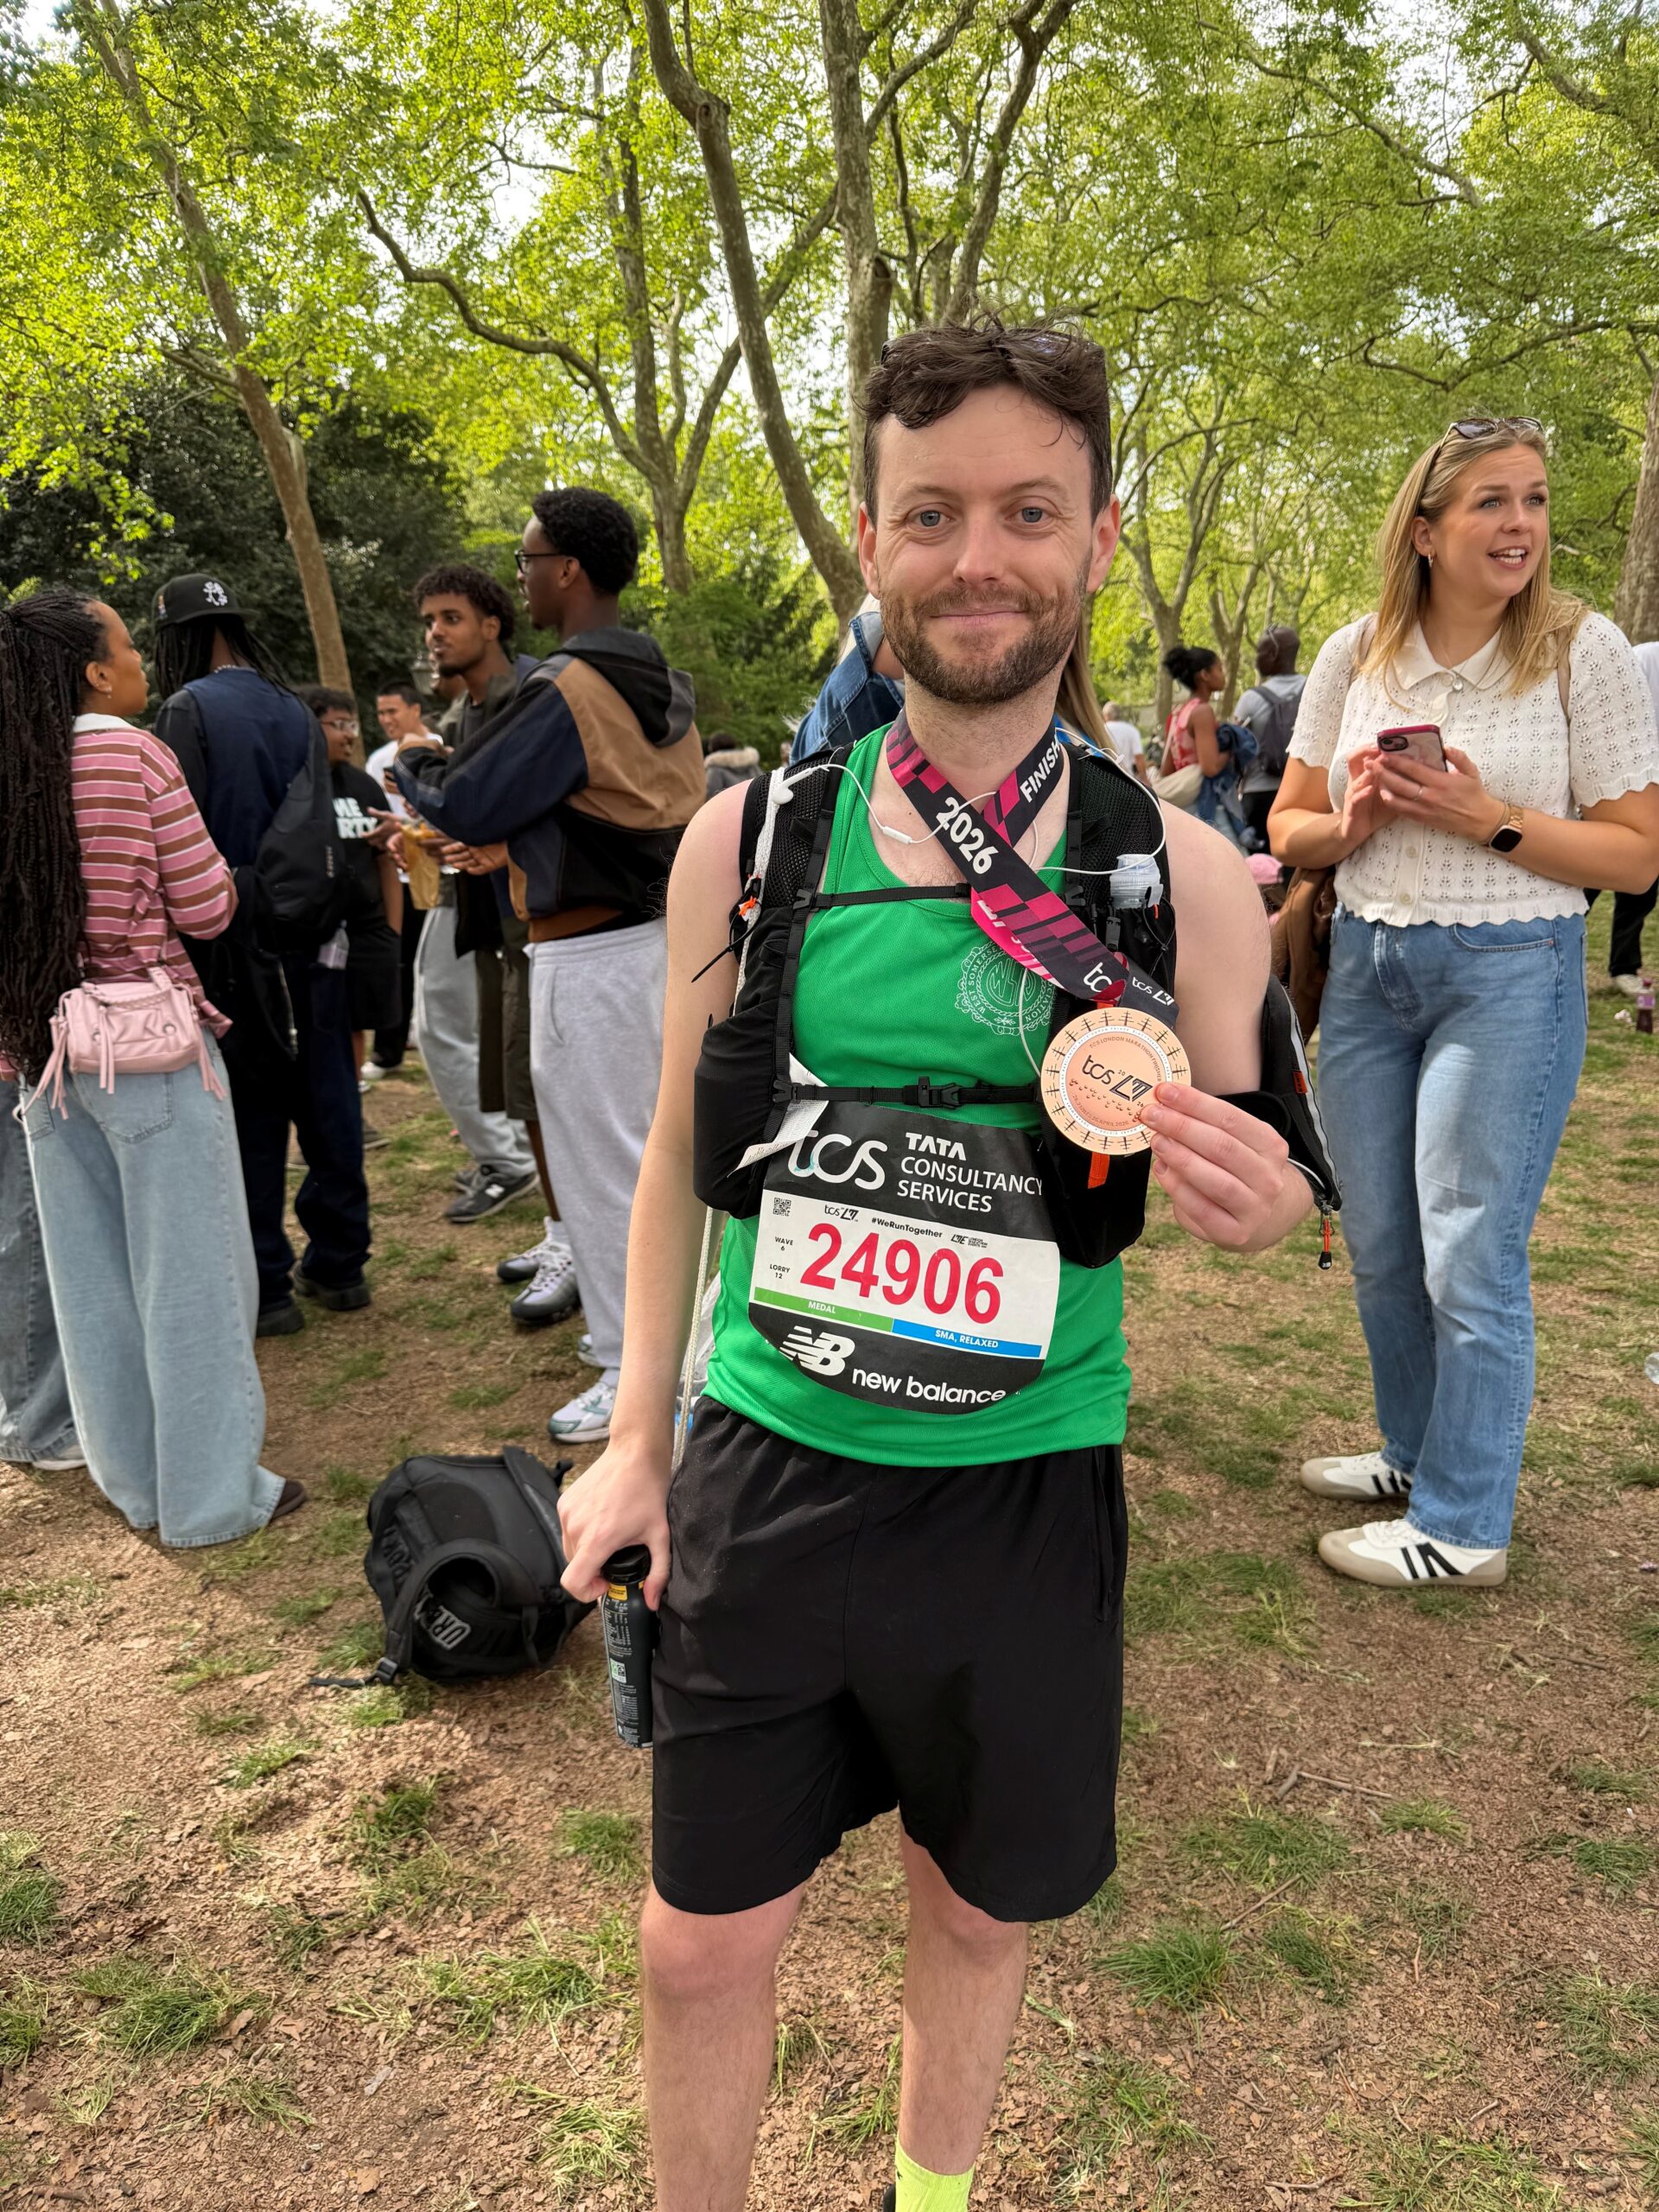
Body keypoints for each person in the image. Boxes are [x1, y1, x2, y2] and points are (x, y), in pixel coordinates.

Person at [554, 320, 1319, 2212]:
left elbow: (1277, 1160)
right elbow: (673, 1154)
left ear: (1101, 538)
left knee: (976, 1916)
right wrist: (634, 1432)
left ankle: (933, 2196)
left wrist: (1261, 1199)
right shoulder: (749, 843)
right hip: (765, 1465)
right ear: (874, 544)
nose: (982, 555)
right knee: (698, 1942)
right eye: (935, 513)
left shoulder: (1187, 875)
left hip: (1025, 1488)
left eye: (1030, 510)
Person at [1271, 415, 1659, 1589]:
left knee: (1469, 1252)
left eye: (1535, 501)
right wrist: (1359, 823)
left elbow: (1635, 858)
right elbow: (1288, 826)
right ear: (1427, 527)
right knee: (1384, 1244)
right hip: (1373, 971)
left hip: (1510, 974)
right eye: (1494, 501)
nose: (1523, 525)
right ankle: (1412, 1454)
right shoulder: (1356, 652)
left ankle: (1466, 1522)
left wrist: (1483, 817)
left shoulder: (1579, 651)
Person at [395, 489, 705, 1441]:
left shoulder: (565, 687)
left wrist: (412, 761)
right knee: (666, 1164)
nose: (520, 575)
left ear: (568, 569)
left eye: (528, 559)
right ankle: (683, 1357)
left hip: (589, 952)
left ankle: (632, 1371)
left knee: (607, 1171)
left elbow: (470, 802)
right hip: (663, 944)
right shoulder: (664, 681)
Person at [2, 591, 302, 1544]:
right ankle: (212, 1500)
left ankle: (134, 1485)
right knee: (193, 1278)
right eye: (127, 644)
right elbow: (209, 905)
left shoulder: (12, 768)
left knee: (90, 1286)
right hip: (151, 1047)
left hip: (46, 1058)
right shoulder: (132, 753)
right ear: (94, 669)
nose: (140, 660)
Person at [151, 575, 372, 1338]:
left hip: (230, 939)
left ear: (177, 636)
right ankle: (342, 1262)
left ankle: (267, 1282)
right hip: (314, 932)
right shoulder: (290, 706)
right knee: (328, 1092)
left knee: (248, 1112)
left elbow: (179, 836)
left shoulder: (186, 710)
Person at [401, 567, 541, 1229]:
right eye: (430, 621)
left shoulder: (533, 694)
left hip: (555, 929)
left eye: (450, 618)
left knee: (545, 1088)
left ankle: (560, 1224)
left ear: (492, 623)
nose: (434, 633)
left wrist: (502, 851)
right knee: (521, 1083)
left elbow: (582, 807)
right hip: (494, 923)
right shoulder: (467, 711)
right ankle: (553, 1221)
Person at [299, 688, 404, 1129]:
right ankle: (324, 1120)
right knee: (320, 1029)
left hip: (365, 933)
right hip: (312, 935)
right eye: (338, 725)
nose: (348, 735)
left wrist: (392, 931)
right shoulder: (294, 788)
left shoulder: (362, 784)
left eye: (351, 725)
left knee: (356, 1024)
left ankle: (349, 1115)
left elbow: (386, 860)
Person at [362, 678, 437, 1076]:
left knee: (438, 968)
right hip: (400, 877)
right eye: (381, 713)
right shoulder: (378, 761)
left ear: (416, 710)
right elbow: (378, 817)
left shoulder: (443, 747)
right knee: (399, 962)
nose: (386, 720)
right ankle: (388, 1050)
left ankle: (437, 1040)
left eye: (393, 711)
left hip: (446, 874)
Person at [1232, 626, 1306, 843]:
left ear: (1273, 654)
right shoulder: (1314, 688)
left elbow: (1235, 751)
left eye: (1260, 652)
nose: (1257, 659)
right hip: (1303, 793)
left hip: (1259, 795)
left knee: (1259, 869)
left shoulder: (1251, 699)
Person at [1158, 644, 1229, 784]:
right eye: (1219, 669)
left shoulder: (1177, 713)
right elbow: (1210, 768)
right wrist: (1232, 750)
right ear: (1205, 675)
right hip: (1203, 800)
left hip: (1184, 800)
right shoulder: (1202, 711)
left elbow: (1167, 770)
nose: (1223, 674)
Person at [1101, 698, 1151, 783]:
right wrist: (1145, 780)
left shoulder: (1102, 729)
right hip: (1127, 777)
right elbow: (1139, 758)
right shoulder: (1132, 730)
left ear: (1106, 715)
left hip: (1105, 777)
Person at [702, 730, 762, 796]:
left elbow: (711, 796)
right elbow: (763, 786)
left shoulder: (715, 769)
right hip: (755, 804)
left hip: (729, 805)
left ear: (711, 747)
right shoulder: (751, 763)